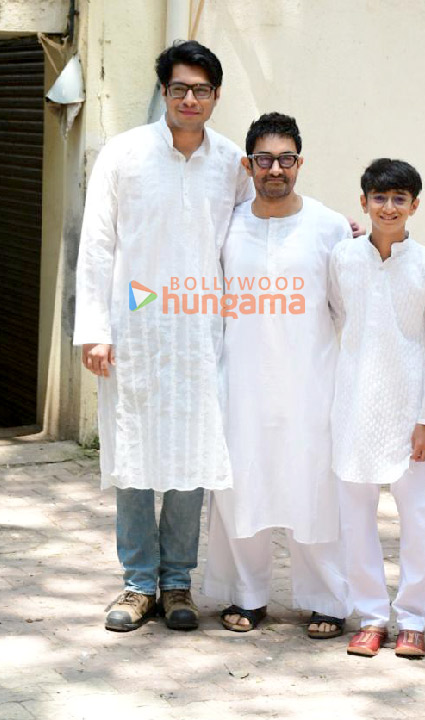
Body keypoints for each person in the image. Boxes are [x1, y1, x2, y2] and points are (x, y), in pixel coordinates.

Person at [73, 41, 252, 632]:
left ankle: (178, 583)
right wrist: (94, 330)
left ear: (216, 96)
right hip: (136, 333)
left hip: (202, 335)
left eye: (202, 89)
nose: (191, 99)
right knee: (134, 456)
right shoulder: (123, 155)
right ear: (164, 93)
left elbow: (256, 233)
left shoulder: (232, 163)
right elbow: (97, 245)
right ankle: (136, 584)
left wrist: (338, 232)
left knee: (191, 457)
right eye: (180, 89)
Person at [203, 113, 354, 638]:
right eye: (263, 159)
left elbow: (345, 309)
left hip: (310, 386)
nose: (274, 169)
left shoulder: (331, 226)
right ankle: (248, 595)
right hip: (240, 384)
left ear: (299, 164)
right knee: (241, 488)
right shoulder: (227, 223)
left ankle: (327, 600)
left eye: (285, 159)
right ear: (248, 165)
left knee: (312, 491)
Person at [329, 158, 425, 657]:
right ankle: (371, 617)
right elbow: (338, 317)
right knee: (355, 518)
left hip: (410, 414)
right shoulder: (342, 258)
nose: (388, 207)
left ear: (414, 206)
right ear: (363, 202)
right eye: (379, 198)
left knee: (418, 517)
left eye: (399, 198)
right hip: (354, 407)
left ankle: (413, 619)